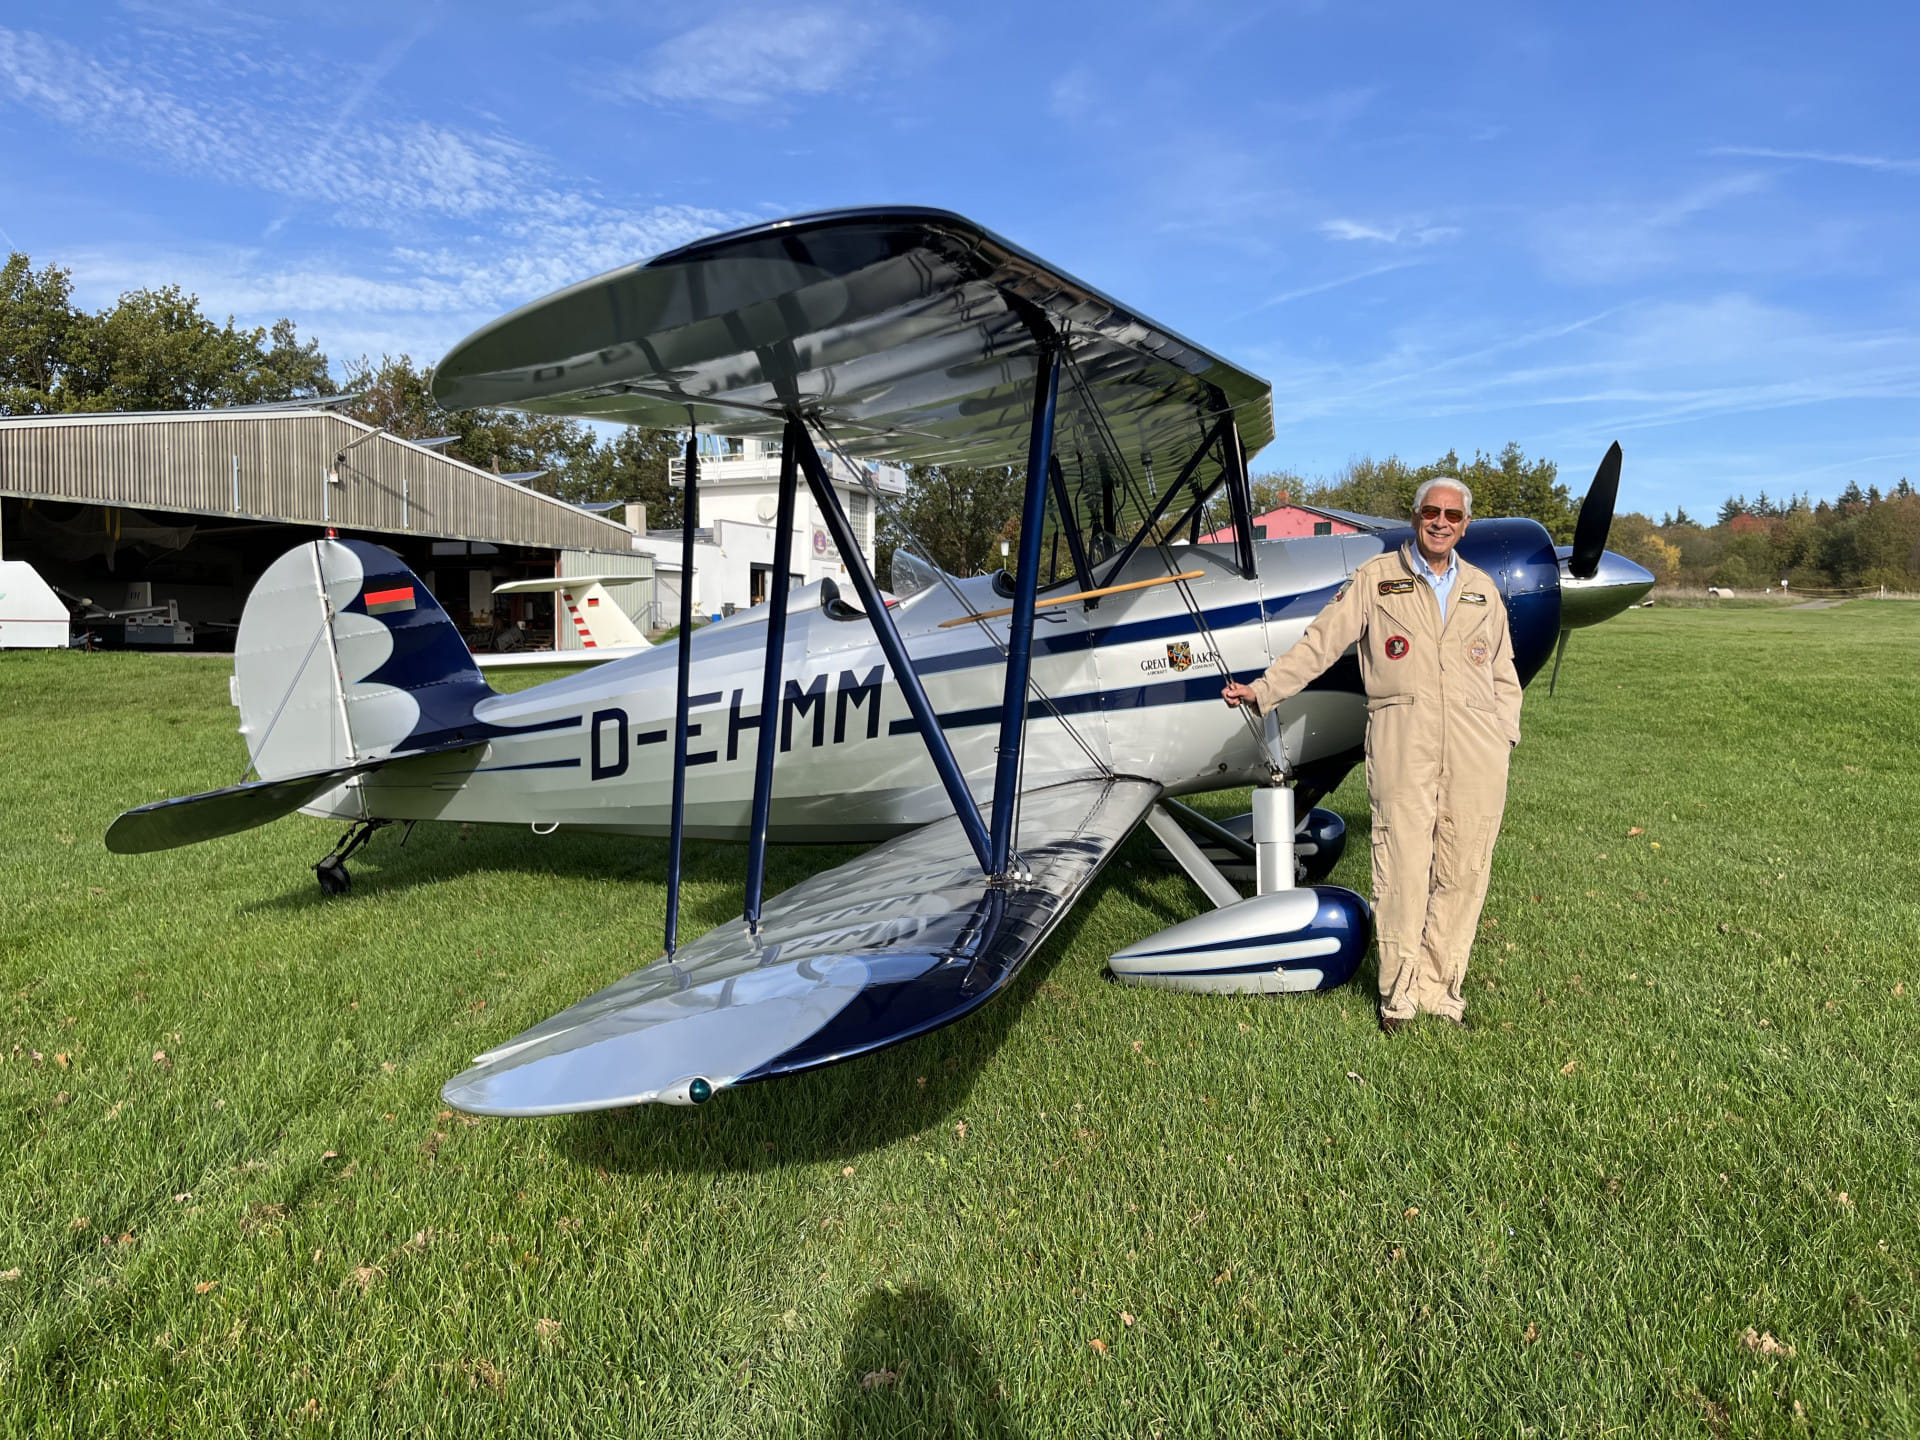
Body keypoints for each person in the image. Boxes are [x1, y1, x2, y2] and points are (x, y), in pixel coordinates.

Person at [1222, 478, 1521, 1033]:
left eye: (1452, 515)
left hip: (1477, 745)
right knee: (1403, 865)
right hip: (1402, 734)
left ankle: (1440, 990)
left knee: (1464, 870)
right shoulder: (1375, 579)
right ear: (1414, 517)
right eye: (1431, 511)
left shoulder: (1482, 589)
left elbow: (1504, 672)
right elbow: (1320, 642)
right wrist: (1264, 691)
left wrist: (1504, 733)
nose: (1440, 522)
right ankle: (1399, 996)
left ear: (1465, 525)